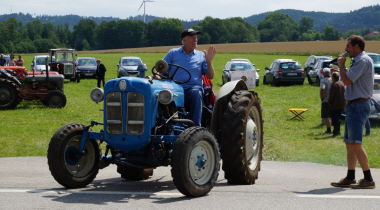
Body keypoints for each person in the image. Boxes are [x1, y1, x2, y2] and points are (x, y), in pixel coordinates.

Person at [331, 35, 375, 189]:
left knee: (356, 144)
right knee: (350, 144)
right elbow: (350, 78)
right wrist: (345, 68)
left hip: (359, 106)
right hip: (353, 105)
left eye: (348, 47)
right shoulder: (358, 61)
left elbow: (347, 81)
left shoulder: (362, 60)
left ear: (357, 46)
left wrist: (341, 66)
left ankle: (369, 179)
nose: (345, 49)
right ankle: (350, 177)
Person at [163, 28, 216, 126]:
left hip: (192, 89)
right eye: (192, 37)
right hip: (174, 88)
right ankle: (163, 126)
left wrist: (208, 61)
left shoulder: (201, 55)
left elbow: (210, 76)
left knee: (196, 92)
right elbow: (162, 68)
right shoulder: (172, 53)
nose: (195, 39)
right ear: (183, 40)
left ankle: (195, 127)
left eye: (196, 37)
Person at [328, 72, 345, 137]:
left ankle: (335, 132)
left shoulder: (334, 84)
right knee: (338, 118)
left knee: (335, 119)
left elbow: (332, 95)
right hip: (341, 103)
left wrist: (329, 102)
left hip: (335, 104)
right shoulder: (342, 84)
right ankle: (338, 131)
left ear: (333, 78)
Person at [320, 68, 332, 134]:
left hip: (326, 100)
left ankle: (328, 129)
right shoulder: (332, 80)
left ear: (324, 73)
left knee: (327, 116)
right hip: (333, 100)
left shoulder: (323, 80)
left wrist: (322, 97)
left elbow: (322, 88)